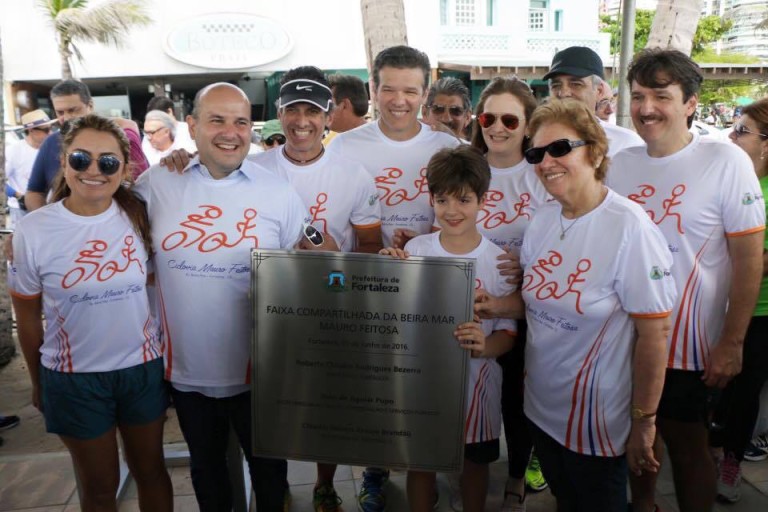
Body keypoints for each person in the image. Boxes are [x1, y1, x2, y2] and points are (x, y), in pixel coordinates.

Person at [478, 98, 677, 511]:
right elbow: (537, 302)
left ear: (597, 151)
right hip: (540, 407)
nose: (546, 162)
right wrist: (493, 306)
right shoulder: (544, 219)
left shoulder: (629, 227)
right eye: (536, 152)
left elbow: (654, 335)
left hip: (595, 423)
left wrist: (644, 422)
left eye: (560, 148)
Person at [133, 82, 308, 512]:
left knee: (270, 474)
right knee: (207, 472)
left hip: (260, 371)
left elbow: (296, 267)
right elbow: (106, 224)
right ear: (191, 127)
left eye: (241, 122)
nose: (231, 132)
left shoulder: (278, 193)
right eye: (217, 120)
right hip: (187, 370)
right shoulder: (155, 184)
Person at [607, 48, 765, 512]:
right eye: (638, 96)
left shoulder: (725, 161)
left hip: (688, 343)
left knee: (687, 444)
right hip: (625, 335)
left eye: (662, 95)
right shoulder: (620, 164)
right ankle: (644, 505)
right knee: (636, 436)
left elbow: (749, 259)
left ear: (691, 103)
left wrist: (732, 341)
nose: (647, 108)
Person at [9, 114, 172, 511]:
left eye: (108, 162)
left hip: (142, 371)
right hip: (73, 379)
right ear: (65, 161)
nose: (94, 171)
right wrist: (38, 382)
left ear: (124, 167)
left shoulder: (140, 214)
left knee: (152, 471)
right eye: (82, 159)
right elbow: (27, 318)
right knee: (100, 488)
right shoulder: (35, 230)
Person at [327, 45, 460, 512]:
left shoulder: (447, 147)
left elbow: (464, 215)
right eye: (389, 88)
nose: (398, 100)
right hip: (367, 287)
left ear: (424, 93)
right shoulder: (344, 146)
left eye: (410, 90)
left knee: (421, 381)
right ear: (373, 90)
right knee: (372, 388)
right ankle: (374, 471)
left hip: (429, 288)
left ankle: (424, 466)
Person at [254, 65, 383, 512]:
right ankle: (273, 484)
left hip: (332, 305)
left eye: (313, 110)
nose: (302, 120)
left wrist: (336, 259)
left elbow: (370, 244)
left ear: (329, 116)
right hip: (268, 306)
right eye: (293, 109)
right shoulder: (253, 169)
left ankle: (324, 484)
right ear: (279, 113)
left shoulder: (353, 174)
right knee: (272, 400)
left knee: (328, 404)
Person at [380, 145, 515, 512]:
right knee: (421, 463)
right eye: (442, 200)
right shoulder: (417, 251)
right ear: (431, 200)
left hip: (477, 387)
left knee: (475, 464)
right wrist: (386, 273)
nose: (452, 211)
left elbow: (508, 334)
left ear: (482, 201)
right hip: (421, 385)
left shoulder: (497, 262)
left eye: (464, 200)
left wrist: (483, 347)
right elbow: (390, 314)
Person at [468, 76, 549, 511]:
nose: (496, 127)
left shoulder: (542, 174)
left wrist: (530, 265)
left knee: (517, 403)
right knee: (473, 392)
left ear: (527, 124)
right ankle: (471, 472)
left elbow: (562, 239)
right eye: (488, 117)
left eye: (509, 119)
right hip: (471, 306)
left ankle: (518, 472)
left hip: (525, 310)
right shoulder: (466, 165)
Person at [708, 97, 768, 503]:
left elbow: (758, 264)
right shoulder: (727, 178)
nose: (731, 135)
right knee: (710, 389)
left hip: (760, 313)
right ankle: (709, 452)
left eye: (742, 130)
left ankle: (731, 461)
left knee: (743, 392)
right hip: (713, 305)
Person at [26, 79, 149, 210]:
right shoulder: (51, 143)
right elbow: (34, 192)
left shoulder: (119, 137)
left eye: (73, 110)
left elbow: (144, 187)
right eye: (60, 112)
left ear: (90, 105)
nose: (67, 117)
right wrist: (46, 223)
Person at [544, 46, 644, 157]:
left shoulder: (625, 144)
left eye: (576, 84)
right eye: (556, 85)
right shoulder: (538, 142)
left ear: (599, 91)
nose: (563, 93)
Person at [5, 110, 54, 228]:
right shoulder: (13, 151)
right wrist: (18, 196)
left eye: (51, 128)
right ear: (32, 130)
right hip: (22, 211)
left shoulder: (51, 149)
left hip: (49, 208)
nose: (51, 133)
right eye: (46, 130)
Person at [323, 73, 368, 144]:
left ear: (345, 105)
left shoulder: (335, 144)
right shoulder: (329, 143)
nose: (323, 110)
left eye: (329, 105)